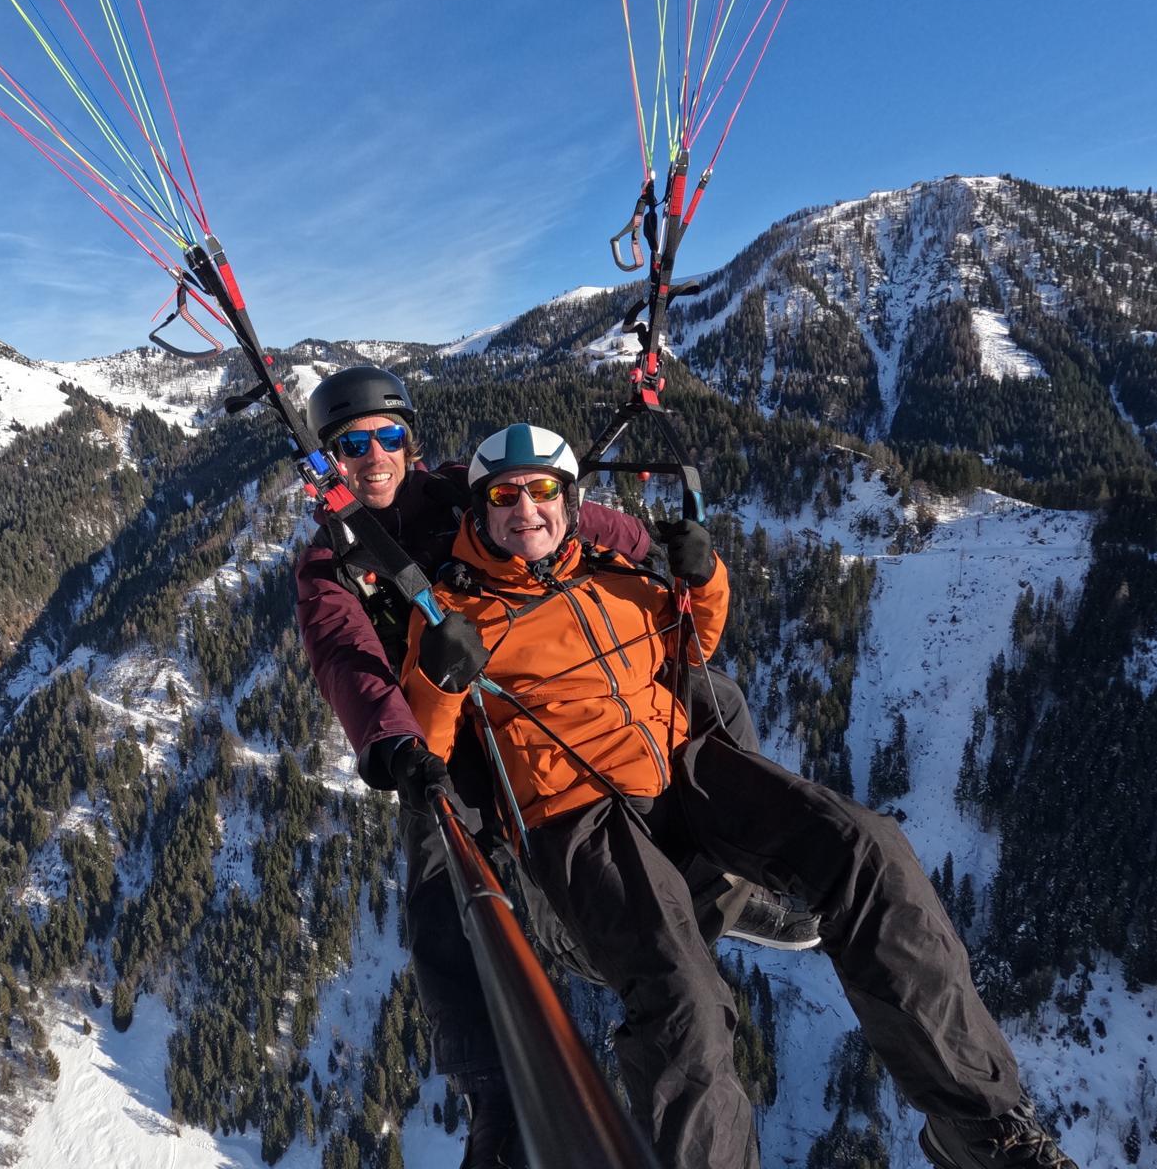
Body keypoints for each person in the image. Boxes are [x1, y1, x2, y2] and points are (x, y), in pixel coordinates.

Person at [400, 423, 1078, 1169]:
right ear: (479, 511)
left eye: (543, 491)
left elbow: (695, 650)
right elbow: (432, 751)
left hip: (683, 766)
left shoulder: (614, 574)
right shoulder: (451, 615)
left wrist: (706, 577)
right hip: (579, 814)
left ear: (569, 499)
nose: (525, 508)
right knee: (682, 1000)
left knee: (868, 851)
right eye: (504, 494)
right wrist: (441, 673)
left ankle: (981, 1127)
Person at [293, 368, 816, 1169]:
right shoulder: (334, 561)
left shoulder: (457, 495)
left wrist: (664, 556)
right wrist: (391, 740)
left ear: (411, 439)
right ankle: (492, 1087)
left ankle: (729, 882)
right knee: (442, 855)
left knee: (713, 700)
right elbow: (345, 656)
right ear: (330, 459)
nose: (374, 457)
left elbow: (584, 527)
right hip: (442, 719)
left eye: (387, 437)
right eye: (352, 445)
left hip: (529, 678)